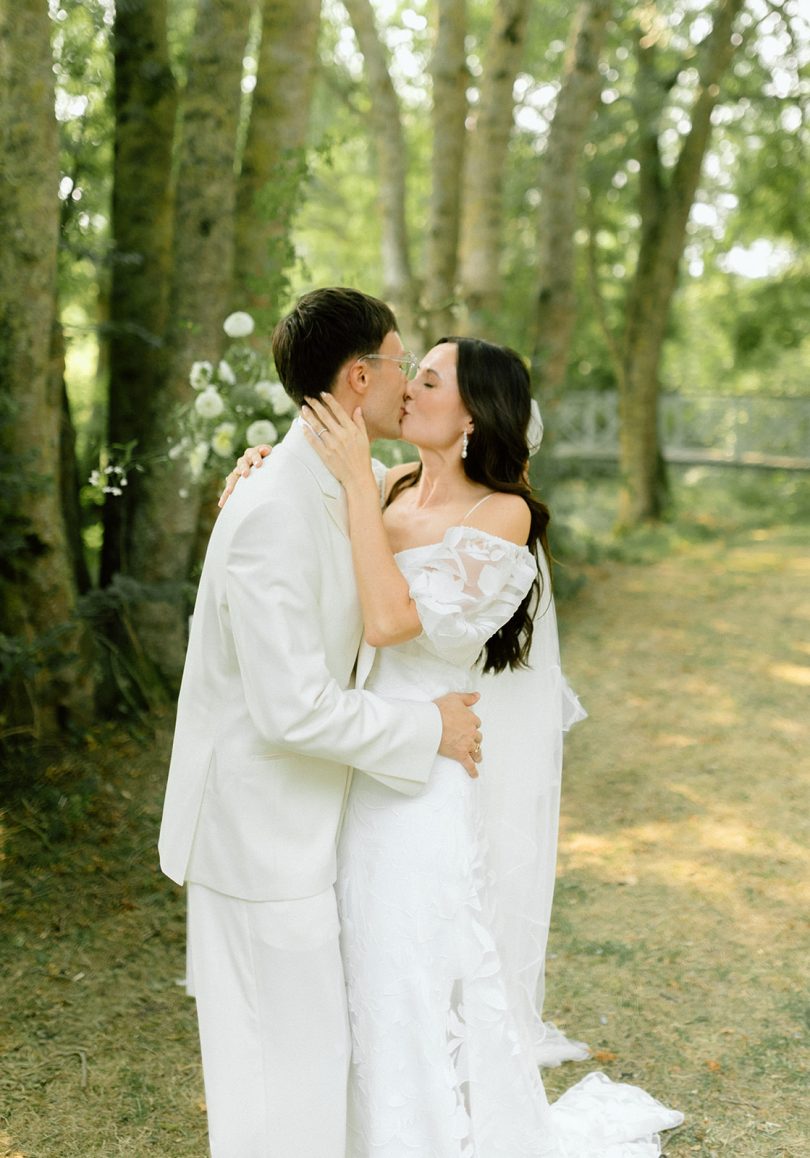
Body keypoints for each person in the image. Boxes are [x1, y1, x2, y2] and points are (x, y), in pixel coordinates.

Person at [263, 335, 683, 1155]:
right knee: (354, 950)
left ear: (472, 416)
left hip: (429, 767)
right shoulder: (390, 483)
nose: (408, 387)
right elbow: (306, 545)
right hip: (354, 745)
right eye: (412, 373)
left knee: (410, 951)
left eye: (428, 380)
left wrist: (355, 484)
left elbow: (391, 623)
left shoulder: (502, 514)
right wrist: (259, 473)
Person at [158, 288, 484, 1158]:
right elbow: (292, 707)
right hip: (257, 838)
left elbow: (418, 512)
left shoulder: (339, 480)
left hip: (307, 831)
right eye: (400, 362)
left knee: (310, 1069)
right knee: (278, 1082)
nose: (408, 383)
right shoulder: (272, 508)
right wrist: (429, 728)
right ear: (359, 377)